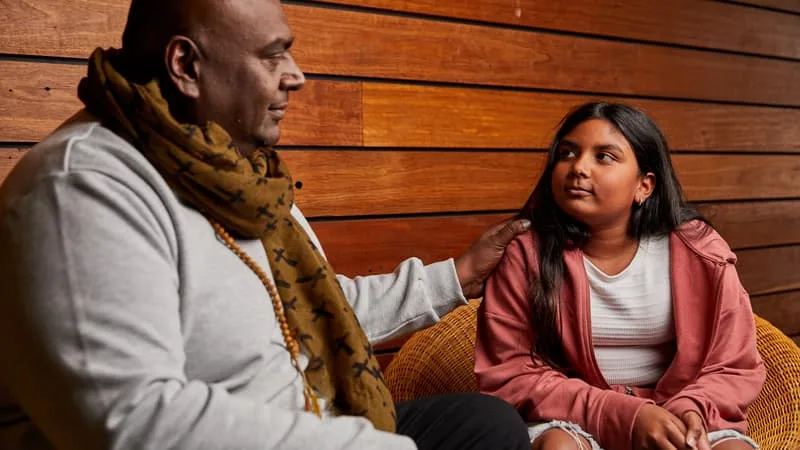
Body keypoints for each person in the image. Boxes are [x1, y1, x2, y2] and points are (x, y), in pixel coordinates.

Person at [0, 0, 533, 449]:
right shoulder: (83, 187)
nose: (295, 75)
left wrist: (458, 276)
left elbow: (310, 314)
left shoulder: (237, 173)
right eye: (272, 54)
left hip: (310, 418)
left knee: (485, 424)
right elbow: (131, 418)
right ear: (185, 64)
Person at [474, 102, 766, 450]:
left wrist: (692, 410)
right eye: (567, 153)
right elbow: (510, 373)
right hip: (572, 420)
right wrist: (624, 415)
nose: (578, 167)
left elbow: (735, 365)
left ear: (644, 185)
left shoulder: (701, 251)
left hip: (679, 415)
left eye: (604, 157)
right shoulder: (525, 255)